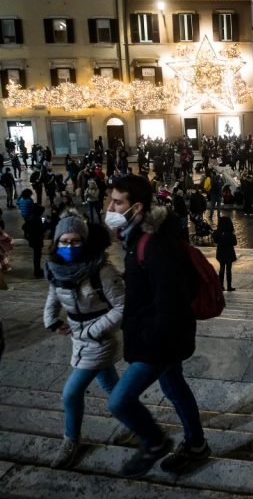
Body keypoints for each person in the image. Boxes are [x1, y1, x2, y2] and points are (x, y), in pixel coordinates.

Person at [104, 175, 211, 478]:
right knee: (174, 387)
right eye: (111, 200)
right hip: (159, 335)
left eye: (118, 202)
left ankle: (154, 441)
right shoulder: (137, 237)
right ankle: (196, 445)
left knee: (120, 401)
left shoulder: (154, 245)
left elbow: (171, 302)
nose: (110, 207)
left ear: (136, 207)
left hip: (158, 342)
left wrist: (146, 341)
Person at [44, 214, 124, 469]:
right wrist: (52, 320)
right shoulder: (57, 266)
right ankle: (144, 428)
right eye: (64, 242)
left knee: (71, 393)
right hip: (78, 337)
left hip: (98, 339)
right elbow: (53, 295)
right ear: (56, 243)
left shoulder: (102, 270)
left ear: (85, 241)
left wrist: (93, 331)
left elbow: (124, 306)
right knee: (114, 390)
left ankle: (71, 441)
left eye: (75, 241)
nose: (69, 247)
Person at [213, 215, 237, 292]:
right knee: (229, 269)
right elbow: (235, 243)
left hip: (220, 252)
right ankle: (229, 286)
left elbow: (216, 241)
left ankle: (221, 286)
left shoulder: (217, 233)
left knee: (222, 268)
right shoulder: (231, 234)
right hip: (229, 253)